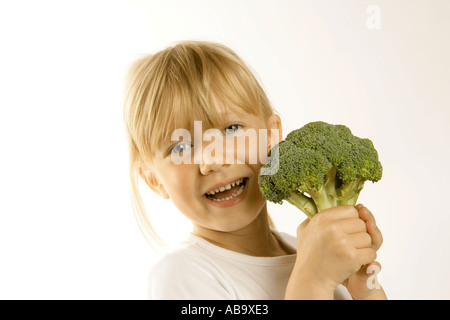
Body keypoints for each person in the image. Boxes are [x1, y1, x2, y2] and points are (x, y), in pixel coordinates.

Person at [123, 40, 387, 300]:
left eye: (231, 129)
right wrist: (313, 280)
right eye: (181, 147)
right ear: (154, 180)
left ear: (272, 136)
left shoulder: (305, 251)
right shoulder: (182, 277)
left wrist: (364, 286)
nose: (213, 160)